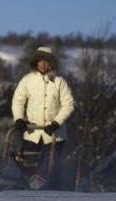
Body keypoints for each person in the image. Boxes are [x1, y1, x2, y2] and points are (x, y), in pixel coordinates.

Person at [11, 46, 75, 190]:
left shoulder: (59, 82)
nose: (42, 64)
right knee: (25, 160)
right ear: (36, 63)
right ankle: (24, 186)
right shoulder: (28, 80)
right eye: (40, 61)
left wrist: (56, 123)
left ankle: (49, 189)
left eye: (45, 61)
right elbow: (18, 101)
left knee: (50, 163)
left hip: (55, 134)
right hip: (33, 132)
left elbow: (69, 105)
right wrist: (19, 119)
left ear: (50, 63)